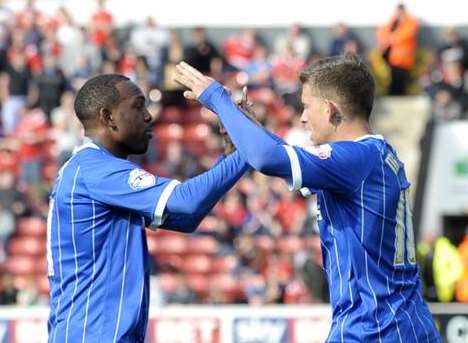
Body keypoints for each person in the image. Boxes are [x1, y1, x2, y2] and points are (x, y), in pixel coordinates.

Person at [174, 55, 441, 342]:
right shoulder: (368, 156)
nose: (302, 117)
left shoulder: (355, 159)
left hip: (376, 329)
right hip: (396, 323)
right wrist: (248, 129)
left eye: (306, 106)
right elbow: (277, 154)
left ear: (329, 110)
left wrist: (216, 98)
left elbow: (267, 158)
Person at [46, 74, 251, 342]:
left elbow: (185, 218)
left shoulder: (93, 172)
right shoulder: (95, 171)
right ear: (108, 117)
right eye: (138, 106)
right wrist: (246, 149)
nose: (148, 116)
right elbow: (187, 201)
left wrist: (234, 154)